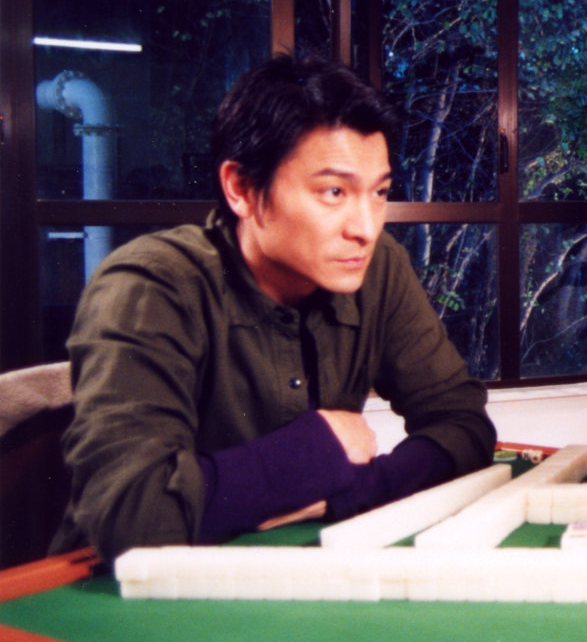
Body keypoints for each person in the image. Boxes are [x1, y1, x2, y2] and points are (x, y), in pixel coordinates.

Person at [52, 54, 496, 562]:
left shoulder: (378, 268)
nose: (366, 228)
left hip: (291, 571)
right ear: (241, 188)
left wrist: (355, 490)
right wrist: (319, 450)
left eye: (379, 193)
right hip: (109, 587)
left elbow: (464, 425)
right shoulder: (151, 285)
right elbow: (134, 519)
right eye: (334, 192)